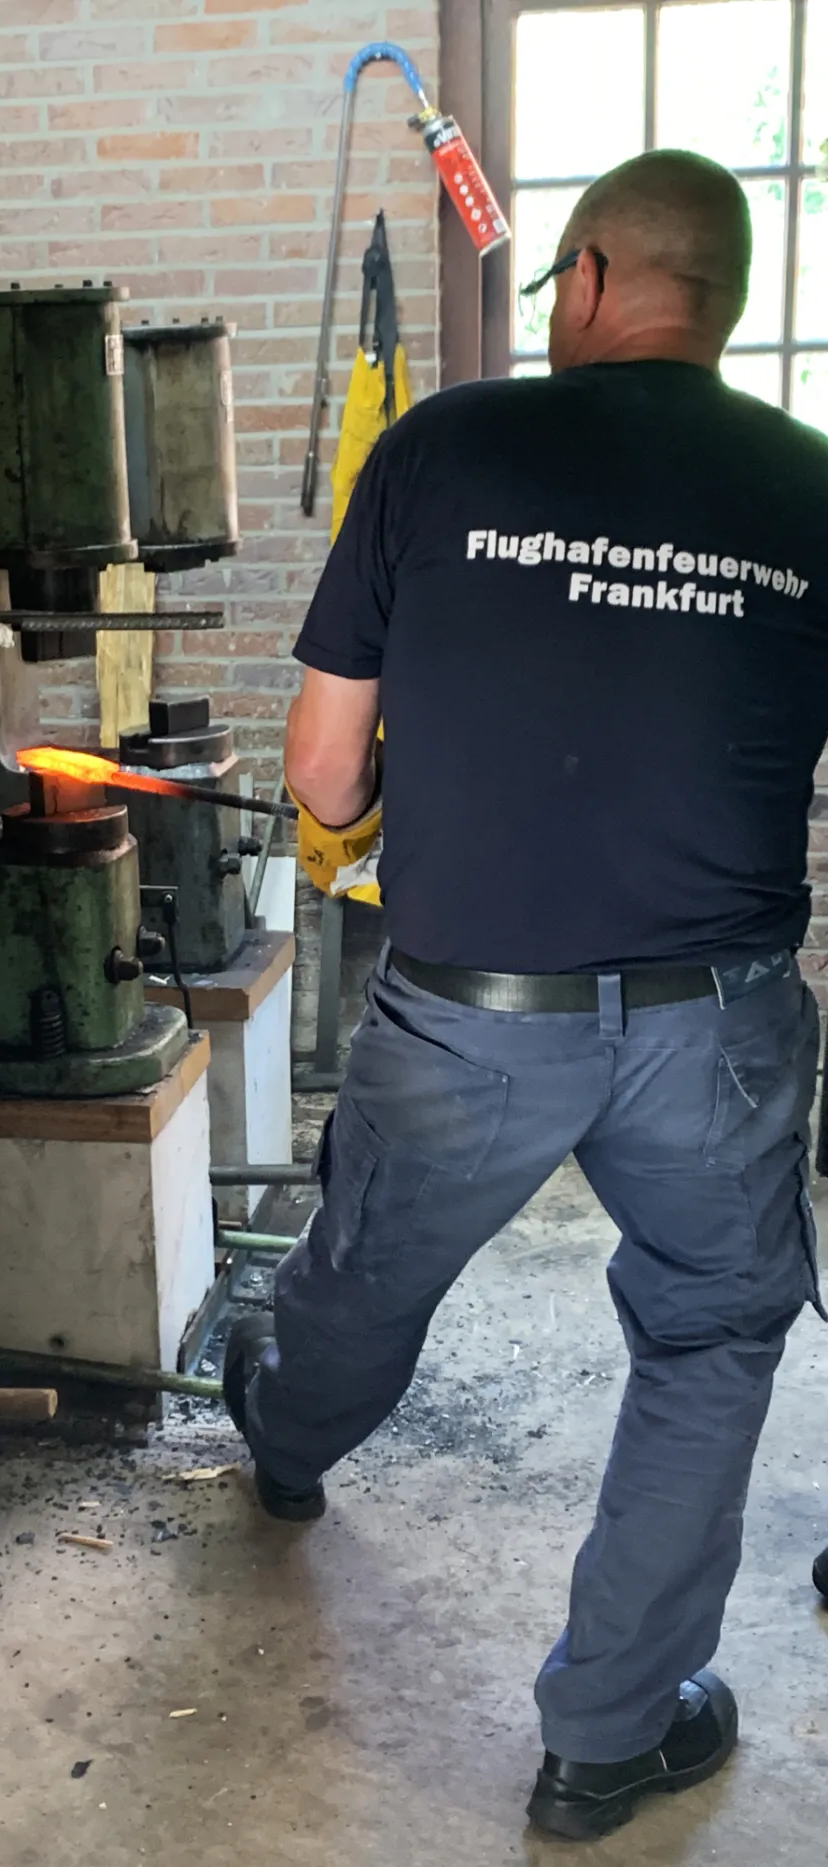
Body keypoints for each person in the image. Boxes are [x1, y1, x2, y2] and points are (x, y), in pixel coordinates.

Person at [225, 148, 828, 1843]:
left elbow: (325, 770)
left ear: (590, 277)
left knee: (366, 1268)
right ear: (725, 301)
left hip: (467, 1015)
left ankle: (286, 1445)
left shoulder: (442, 448)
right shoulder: (813, 487)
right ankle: (606, 1742)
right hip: (719, 1026)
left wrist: (375, 804)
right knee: (710, 1336)